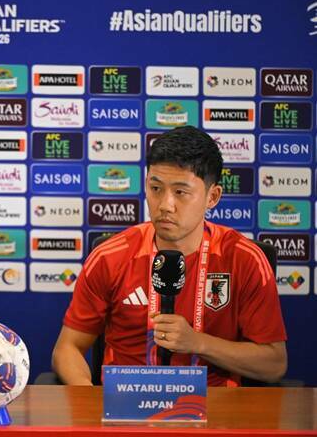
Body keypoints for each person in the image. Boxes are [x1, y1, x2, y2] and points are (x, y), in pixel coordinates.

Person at [52, 126, 287, 387]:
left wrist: (198, 342)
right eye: (156, 188)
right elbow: (67, 349)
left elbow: (274, 363)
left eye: (180, 192)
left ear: (213, 197)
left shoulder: (244, 259)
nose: (165, 205)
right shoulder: (109, 257)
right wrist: (92, 399)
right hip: (124, 412)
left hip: (216, 414)